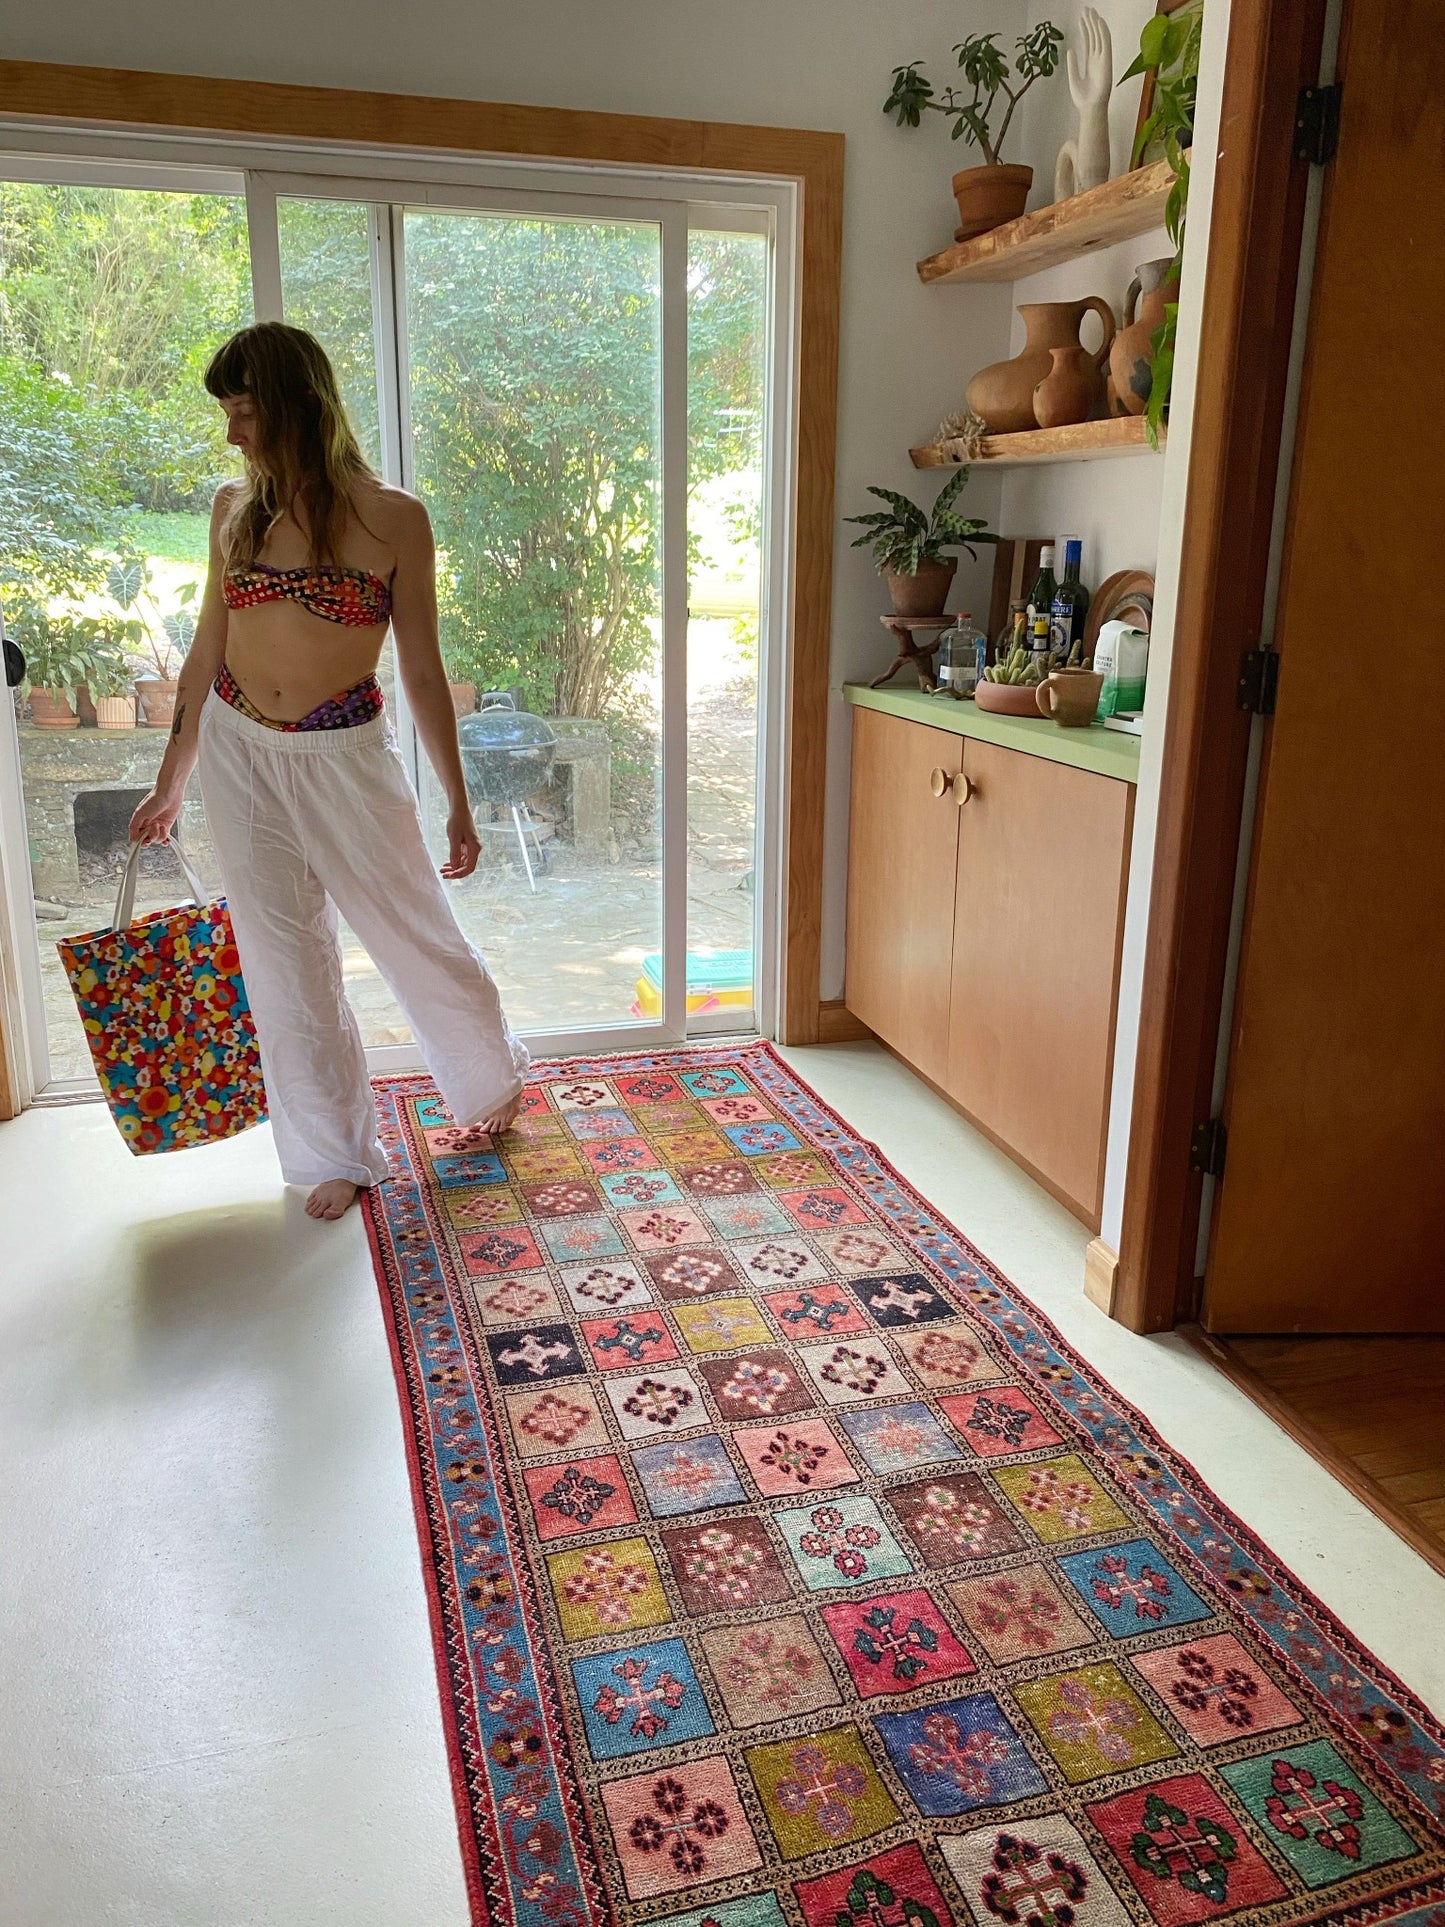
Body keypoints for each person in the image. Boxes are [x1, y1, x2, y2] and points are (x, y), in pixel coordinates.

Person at [130, 321, 529, 1220]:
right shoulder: (233, 508)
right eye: (227, 412)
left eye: (244, 411)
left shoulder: (395, 517)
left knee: (411, 925)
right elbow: (205, 648)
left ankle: (486, 1079)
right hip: (239, 749)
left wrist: (457, 804)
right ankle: (333, 1154)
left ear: (296, 406)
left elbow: (422, 671)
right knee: (282, 958)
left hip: (345, 751)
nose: (233, 432)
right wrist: (173, 777)